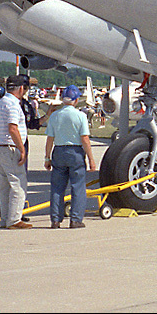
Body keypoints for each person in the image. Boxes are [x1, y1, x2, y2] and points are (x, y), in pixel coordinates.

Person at [44, 85, 96, 228]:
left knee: (57, 188)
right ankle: (75, 219)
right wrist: (91, 159)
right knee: (78, 187)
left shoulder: (55, 115)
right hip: (75, 152)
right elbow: (84, 138)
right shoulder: (80, 116)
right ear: (76, 100)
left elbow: (50, 138)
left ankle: (55, 220)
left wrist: (47, 157)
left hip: (59, 151)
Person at [0, 75, 31, 229]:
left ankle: (5, 219)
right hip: (9, 147)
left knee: (4, 186)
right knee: (18, 183)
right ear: (21, 88)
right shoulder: (14, 105)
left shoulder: (1, 103)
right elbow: (13, 128)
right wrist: (22, 149)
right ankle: (14, 219)